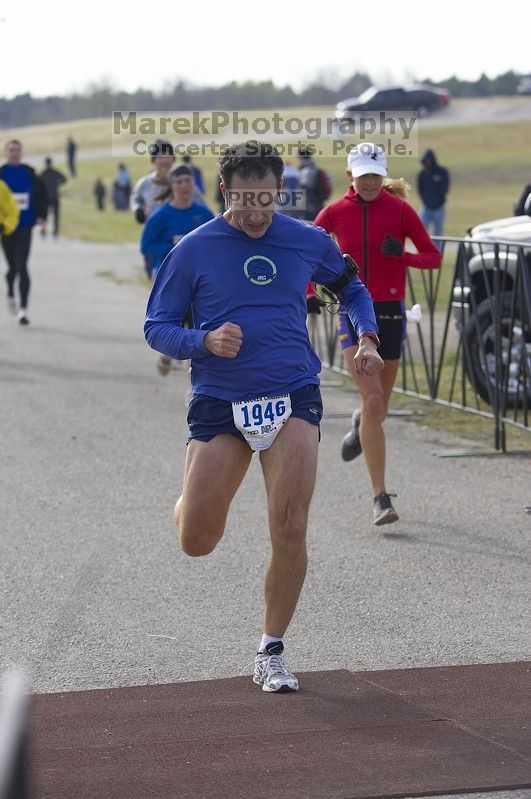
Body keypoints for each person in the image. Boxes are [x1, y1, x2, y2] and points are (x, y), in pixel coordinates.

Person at [144, 140, 383, 693]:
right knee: (197, 540)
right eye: (246, 201)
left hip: (293, 391)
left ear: (281, 192)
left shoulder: (306, 240)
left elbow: (352, 288)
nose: (257, 214)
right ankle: (186, 503)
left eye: (268, 202)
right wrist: (202, 339)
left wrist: (367, 337)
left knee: (291, 522)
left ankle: (271, 648)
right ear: (225, 191)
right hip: (221, 400)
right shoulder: (193, 249)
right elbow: (156, 325)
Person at [314, 142, 441, 525]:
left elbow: (433, 256)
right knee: (373, 403)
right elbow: (303, 252)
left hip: (390, 312)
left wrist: (400, 255)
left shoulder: (400, 210)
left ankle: (358, 424)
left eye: (376, 174)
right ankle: (380, 497)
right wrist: (309, 293)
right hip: (352, 311)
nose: (370, 181)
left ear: (383, 175)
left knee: (377, 409)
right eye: (363, 174)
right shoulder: (334, 212)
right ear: (351, 175)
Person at [141, 164, 214, 375]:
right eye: (179, 182)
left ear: (194, 184)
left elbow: (216, 243)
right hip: (169, 278)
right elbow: (146, 246)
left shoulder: (203, 214)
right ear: (172, 186)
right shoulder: (161, 216)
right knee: (174, 323)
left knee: (199, 328)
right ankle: (166, 354)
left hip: (200, 279)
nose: (184, 186)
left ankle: (195, 385)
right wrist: (174, 247)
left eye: (188, 181)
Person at [0, 140, 47, 325]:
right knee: (12, 267)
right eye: (11, 150)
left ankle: (23, 309)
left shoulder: (30, 173)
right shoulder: (1, 174)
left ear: (21, 153)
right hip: (6, 229)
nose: (14, 153)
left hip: (25, 227)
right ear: (5, 153)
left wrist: (42, 216)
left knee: (22, 265)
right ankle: (10, 290)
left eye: (17, 150)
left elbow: (41, 196)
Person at [130, 140, 176, 278]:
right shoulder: (145, 183)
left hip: (174, 234)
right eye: (160, 156)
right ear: (153, 160)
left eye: (168, 156)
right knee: (153, 274)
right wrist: (137, 210)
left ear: (173, 159)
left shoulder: (181, 181)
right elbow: (135, 198)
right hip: (153, 233)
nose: (164, 160)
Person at [417, 149, 450, 241]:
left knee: (438, 234)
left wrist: (439, 200)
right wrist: (425, 201)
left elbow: (445, 188)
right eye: (426, 160)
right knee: (421, 231)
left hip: (439, 207)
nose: (427, 162)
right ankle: (421, 252)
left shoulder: (442, 172)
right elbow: (420, 189)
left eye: (429, 160)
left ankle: (437, 253)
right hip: (426, 207)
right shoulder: (422, 174)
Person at [297, 148, 331, 221]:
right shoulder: (317, 170)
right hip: (320, 205)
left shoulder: (306, 171)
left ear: (301, 157)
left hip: (309, 208)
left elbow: (303, 191)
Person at [39, 157, 67, 236]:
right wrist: (58, 184)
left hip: (46, 198)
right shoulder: (55, 172)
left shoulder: (43, 174)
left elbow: (38, 184)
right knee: (56, 215)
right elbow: (64, 179)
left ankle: (44, 230)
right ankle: (55, 231)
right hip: (55, 196)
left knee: (45, 215)